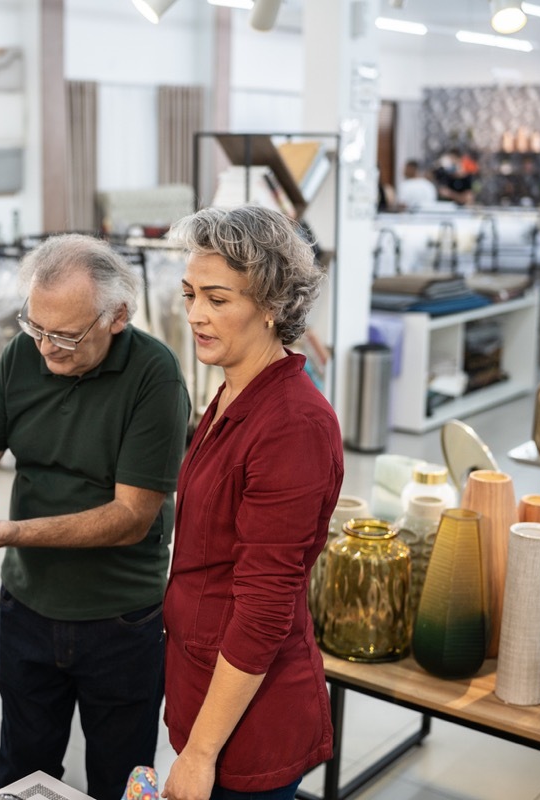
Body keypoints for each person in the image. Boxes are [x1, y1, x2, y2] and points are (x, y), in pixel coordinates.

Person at [0, 234, 190, 800]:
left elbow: (131, 517)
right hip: (27, 611)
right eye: (36, 327)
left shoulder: (154, 375)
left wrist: (8, 534)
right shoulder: (23, 354)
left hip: (120, 620)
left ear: (118, 317)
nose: (47, 348)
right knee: (23, 769)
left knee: (119, 778)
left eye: (65, 334)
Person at [160, 206, 344, 800]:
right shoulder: (235, 389)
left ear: (271, 303)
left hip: (249, 719)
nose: (195, 315)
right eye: (190, 295)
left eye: (217, 299)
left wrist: (202, 752)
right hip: (205, 685)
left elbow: (265, 604)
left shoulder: (292, 425)